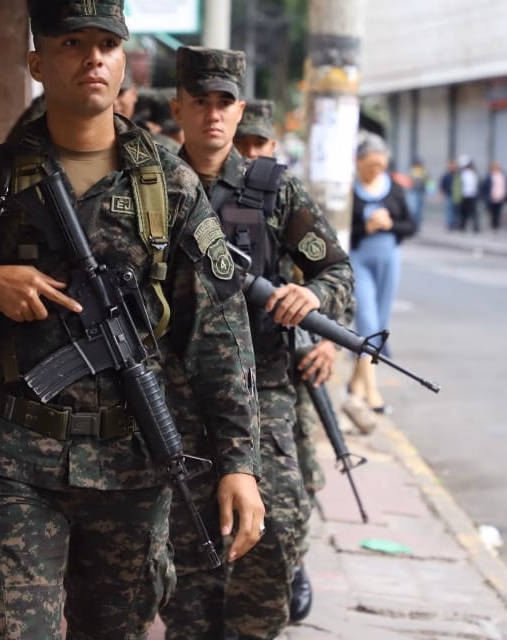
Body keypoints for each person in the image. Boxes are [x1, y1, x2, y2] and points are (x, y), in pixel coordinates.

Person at [0, 0, 265, 640]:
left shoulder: (169, 184)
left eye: (107, 44)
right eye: (72, 43)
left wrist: (239, 463)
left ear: (124, 61)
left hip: (131, 464)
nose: (93, 58)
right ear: (38, 63)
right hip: (14, 458)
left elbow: (219, 334)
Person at [162, 47, 353, 640]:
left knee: (278, 528)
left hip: (262, 389)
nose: (213, 115)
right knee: (185, 544)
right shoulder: (151, 187)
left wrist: (312, 296)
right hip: (171, 394)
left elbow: (337, 271)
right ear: (179, 109)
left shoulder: (272, 190)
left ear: (240, 109)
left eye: (225, 103)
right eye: (200, 102)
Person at [234, 97, 335, 625]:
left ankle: (291, 564)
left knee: (293, 484)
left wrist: (326, 335)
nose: (250, 152)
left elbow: (330, 273)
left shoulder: (282, 194)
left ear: (273, 145)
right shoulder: (194, 187)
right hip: (212, 368)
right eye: (243, 142)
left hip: (282, 359)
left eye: (259, 143)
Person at [348, 136, 416, 415]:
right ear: (359, 162)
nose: (376, 169)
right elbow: (341, 229)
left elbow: (410, 225)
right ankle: (372, 393)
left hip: (389, 260)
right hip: (359, 260)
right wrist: (366, 227)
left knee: (380, 323)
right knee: (368, 323)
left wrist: (389, 224)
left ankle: (355, 388)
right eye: (371, 164)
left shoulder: (394, 189)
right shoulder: (349, 190)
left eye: (381, 164)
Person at [481, 160, 507, 233]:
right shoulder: (489, 176)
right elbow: (484, 187)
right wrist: (484, 196)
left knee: (498, 212)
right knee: (493, 212)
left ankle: (497, 227)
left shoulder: (503, 176)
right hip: (492, 197)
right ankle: (493, 226)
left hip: (500, 197)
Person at [407, 157, 429, 229]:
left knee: (419, 210)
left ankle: (417, 225)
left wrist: (430, 191)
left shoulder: (424, 171)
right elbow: (409, 181)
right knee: (414, 210)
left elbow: (429, 182)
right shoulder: (413, 171)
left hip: (421, 192)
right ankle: (414, 224)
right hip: (414, 192)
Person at [438, 159, 458, 231]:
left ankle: (454, 224)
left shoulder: (457, 175)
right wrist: (441, 194)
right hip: (449, 195)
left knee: (455, 211)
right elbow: (442, 185)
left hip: (456, 195)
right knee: (449, 210)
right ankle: (449, 224)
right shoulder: (446, 175)